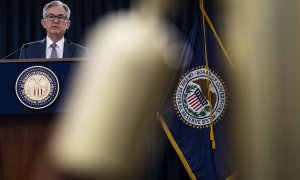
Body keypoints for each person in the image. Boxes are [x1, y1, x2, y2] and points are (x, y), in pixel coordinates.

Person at [19, 1, 87, 59]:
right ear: (43, 23)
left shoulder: (81, 52)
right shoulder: (28, 50)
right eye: (51, 16)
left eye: (60, 17)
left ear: (68, 24)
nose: (56, 21)